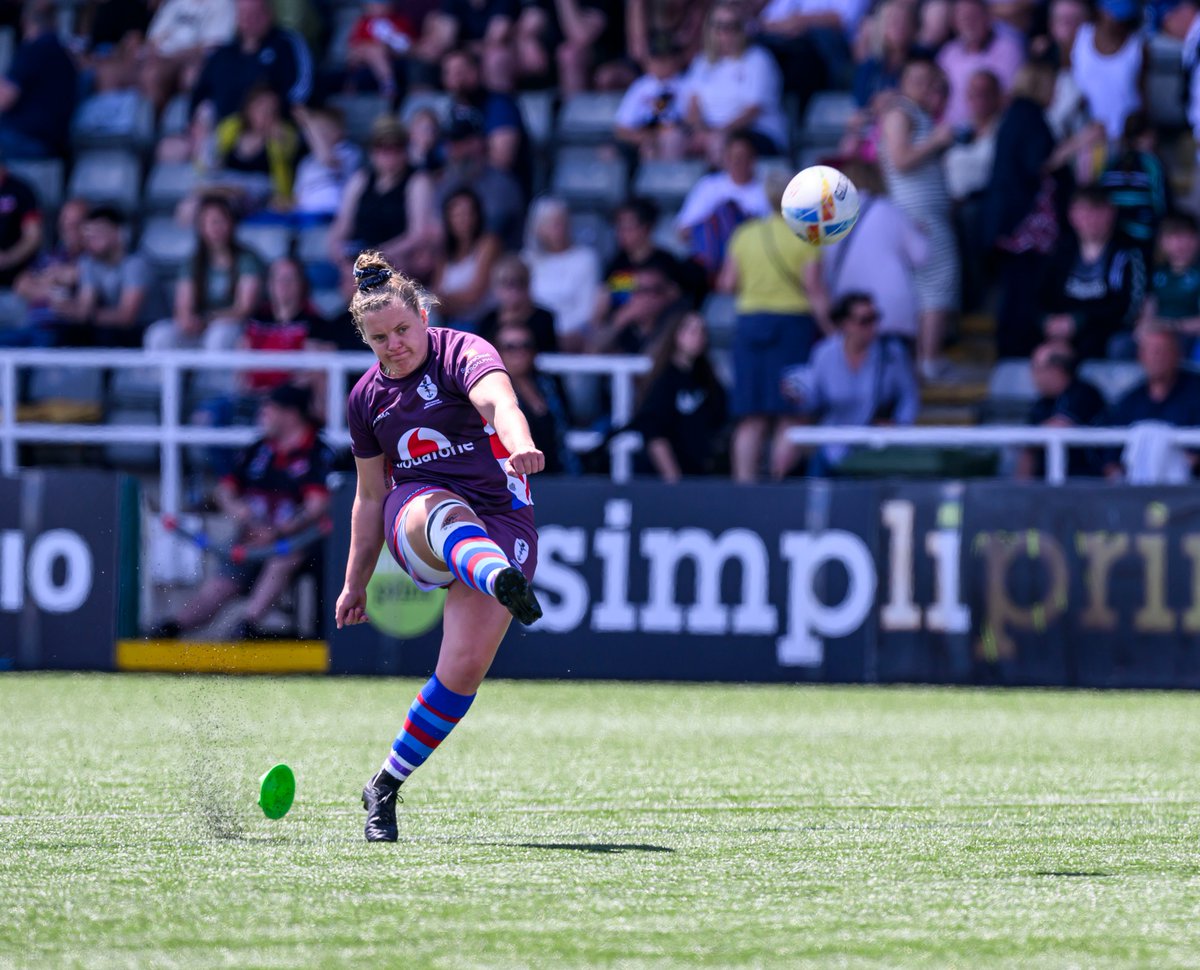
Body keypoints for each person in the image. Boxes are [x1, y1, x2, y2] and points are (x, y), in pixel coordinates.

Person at [336, 250, 545, 843]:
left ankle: (383, 785)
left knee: (462, 670)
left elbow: (498, 402)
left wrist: (521, 441)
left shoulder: (464, 351)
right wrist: (355, 582)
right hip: (418, 517)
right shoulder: (365, 399)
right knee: (434, 508)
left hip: (502, 514)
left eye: (402, 329)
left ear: (423, 316)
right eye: (379, 338)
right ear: (366, 339)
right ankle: (495, 574)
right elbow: (370, 495)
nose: (394, 344)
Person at [154, 384, 334, 640]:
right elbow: (224, 491)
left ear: (291, 414)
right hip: (251, 536)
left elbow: (317, 506)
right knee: (221, 585)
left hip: (299, 542)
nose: (262, 414)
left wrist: (277, 532)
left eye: (269, 408)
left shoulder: (317, 451)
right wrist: (242, 513)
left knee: (284, 558)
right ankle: (171, 628)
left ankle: (246, 626)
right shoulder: (259, 448)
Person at [983, 60, 1104, 359]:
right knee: (1023, 290)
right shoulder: (1027, 115)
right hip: (1024, 225)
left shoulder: (1019, 115)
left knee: (1021, 288)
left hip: (1015, 221)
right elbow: (1041, 162)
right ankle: (1015, 351)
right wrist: (1081, 141)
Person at [718, 170, 821, 484]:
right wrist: (831, 328)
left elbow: (726, 284)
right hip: (793, 328)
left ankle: (744, 487)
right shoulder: (806, 235)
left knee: (751, 418)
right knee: (789, 414)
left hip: (751, 327)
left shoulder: (745, 233)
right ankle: (779, 486)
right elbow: (815, 290)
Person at [878, 57, 960, 379]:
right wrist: (937, 142)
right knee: (938, 283)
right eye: (917, 79)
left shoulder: (916, 113)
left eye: (930, 80)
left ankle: (923, 358)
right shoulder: (901, 112)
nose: (924, 86)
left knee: (928, 287)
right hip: (919, 214)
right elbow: (900, 160)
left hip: (923, 213)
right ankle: (929, 358)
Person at [783, 292, 920, 475]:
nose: (872, 327)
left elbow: (909, 395)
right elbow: (814, 397)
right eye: (864, 320)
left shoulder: (892, 353)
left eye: (875, 318)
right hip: (833, 445)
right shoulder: (824, 353)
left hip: (875, 446)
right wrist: (797, 395)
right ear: (845, 324)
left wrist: (899, 427)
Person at [807, 159, 927, 355]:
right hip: (892, 312)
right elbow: (922, 255)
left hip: (850, 313)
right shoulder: (889, 210)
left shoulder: (828, 218)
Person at [144, 194, 264, 351]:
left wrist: (209, 319)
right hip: (200, 327)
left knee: (219, 335)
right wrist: (187, 320)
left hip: (233, 327)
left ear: (231, 224)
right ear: (201, 227)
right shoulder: (193, 262)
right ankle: (163, 376)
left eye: (220, 221)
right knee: (159, 334)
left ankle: (215, 376)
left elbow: (243, 308)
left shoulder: (247, 259)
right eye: (209, 222)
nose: (215, 228)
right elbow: (183, 306)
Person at [1041, 185, 1146, 360]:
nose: (1090, 219)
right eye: (1084, 211)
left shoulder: (1128, 251)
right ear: (1072, 215)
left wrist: (1080, 321)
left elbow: (1128, 307)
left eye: (1097, 211)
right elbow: (1042, 295)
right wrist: (1047, 320)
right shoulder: (1060, 251)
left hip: (1106, 331)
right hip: (1061, 330)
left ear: (1111, 212)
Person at [328, 116, 438, 281]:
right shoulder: (361, 180)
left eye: (395, 147)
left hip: (398, 259)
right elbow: (342, 224)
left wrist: (379, 255)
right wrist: (338, 254)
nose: (389, 154)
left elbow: (418, 233)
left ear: (405, 149)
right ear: (372, 151)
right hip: (362, 256)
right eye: (382, 147)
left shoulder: (417, 181)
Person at [682, 4, 788, 164]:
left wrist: (719, 132)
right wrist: (700, 130)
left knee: (720, 143)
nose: (725, 32)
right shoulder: (702, 63)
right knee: (671, 140)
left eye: (733, 26)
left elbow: (753, 110)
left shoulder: (758, 59)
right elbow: (693, 105)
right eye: (719, 26)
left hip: (756, 132)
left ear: (743, 29)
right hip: (711, 130)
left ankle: (721, 187)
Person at [630, 311, 728, 482]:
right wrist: (673, 479)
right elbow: (654, 433)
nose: (697, 337)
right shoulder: (664, 380)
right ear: (675, 334)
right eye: (691, 330)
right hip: (666, 482)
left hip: (702, 477)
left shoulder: (707, 379)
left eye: (701, 331)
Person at [189, 0, 312, 124]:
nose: (249, 20)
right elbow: (201, 93)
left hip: (276, 128)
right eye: (244, 14)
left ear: (269, 14)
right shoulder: (223, 55)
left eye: (255, 13)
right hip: (223, 133)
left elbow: (301, 89)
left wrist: (280, 111)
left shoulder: (287, 44)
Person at [1102, 324, 1200, 479]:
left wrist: (1174, 465)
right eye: (1151, 351)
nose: (1157, 357)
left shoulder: (1196, 391)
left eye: (1163, 351)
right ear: (1140, 357)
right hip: (1138, 494)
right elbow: (1111, 458)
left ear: (1177, 355)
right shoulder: (1129, 401)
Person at [675, 129, 771, 278]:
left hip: (751, 262)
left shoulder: (766, 190)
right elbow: (684, 231)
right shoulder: (708, 185)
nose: (736, 162)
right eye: (732, 157)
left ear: (753, 159)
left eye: (742, 157)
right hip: (710, 263)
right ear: (725, 158)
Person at [55, 206, 152, 348]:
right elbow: (85, 307)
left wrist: (85, 314)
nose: (91, 239)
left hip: (143, 330)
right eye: (89, 235)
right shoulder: (88, 263)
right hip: (110, 329)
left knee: (106, 335)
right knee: (67, 334)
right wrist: (65, 306)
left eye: (98, 233)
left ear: (120, 233)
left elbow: (127, 317)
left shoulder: (136, 264)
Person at [1015, 340, 1105, 479]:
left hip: (1085, 483)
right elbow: (1028, 449)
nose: (1033, 375)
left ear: (1056, 369)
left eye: (1036, 367)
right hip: (1043, 485)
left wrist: (1028, 438)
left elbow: (1058, 428)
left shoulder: (1084, 394)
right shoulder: (1041, 403)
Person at [495, 322, 577, 475]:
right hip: (513, 479)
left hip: (557, 474)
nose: (519, 352)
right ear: (498, 352)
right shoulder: (493, 389)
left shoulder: (548, 384)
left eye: (526, 345)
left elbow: (565, 424)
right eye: (510, 347)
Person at [0, 2, 78, 159]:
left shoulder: (35, 49)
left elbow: (4, 98)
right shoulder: (64, 54)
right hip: (53, 143)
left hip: (27, 141)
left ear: (25, 22)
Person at [522, 196, 600, 352]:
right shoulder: (526, 260)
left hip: (575, 340)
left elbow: (587, 307)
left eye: (563, 222)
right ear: (537, 227)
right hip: (532, 340)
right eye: (552, 224)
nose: (560, 228)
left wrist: (559, 336)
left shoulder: (585, 258)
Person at [935, 0, 1023, 128]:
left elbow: (1009, 96)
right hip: (950, 132)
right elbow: (936, 95)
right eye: (964, 18)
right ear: (955, 23)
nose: (969, 23)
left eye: (974, 16)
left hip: (992, 130)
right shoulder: (948, 53)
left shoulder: (1009, 50)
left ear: (988, 18)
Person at [1070, 0, 1145, 148]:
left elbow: (1143, 94)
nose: (1119, 23)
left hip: (1124, 140)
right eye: (1114, 15)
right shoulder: (1080, 36)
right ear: (1100, 11)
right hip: (1083, 138)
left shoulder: (1139, 47)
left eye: (1124, 18)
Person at [432, 186, 501, 330]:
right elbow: (436, 298)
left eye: (468, 213)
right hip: (450, 323)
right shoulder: (444, 251)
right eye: (456, 214)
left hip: (483, 323)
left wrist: (445, 300)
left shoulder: (488, 243)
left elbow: (475, 294)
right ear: (448, 218)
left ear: (477, 215)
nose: (463, 219)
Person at [614, 36, 688, 162]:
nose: (660, 64)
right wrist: (642, 137)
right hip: (640, 138)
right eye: (656, 58)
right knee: (609, 153)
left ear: (676, 60)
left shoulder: (686, 85)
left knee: (666, 141)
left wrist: (655, 137)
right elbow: (621, 128)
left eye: (665, 59)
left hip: (670, 138)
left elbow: (685, 123)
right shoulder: (640, 86)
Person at [475, 254, 558, 353]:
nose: (513, 289)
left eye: (520, 282)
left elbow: (548, 356)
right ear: (495, 287)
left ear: (528, 285)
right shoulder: (487, 321)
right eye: (506, 282)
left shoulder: (544, 319)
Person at [1146, 211, 1200, 358]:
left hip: (1189, 337)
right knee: (1123, 344)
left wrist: (1171, 326)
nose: (1180, 243)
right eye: (1173, 237)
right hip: (1157, 336)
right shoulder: (1158, 273)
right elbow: (1148, 311)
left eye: (1186, 236)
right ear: (1163, 242)